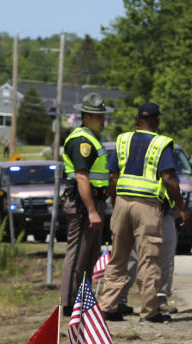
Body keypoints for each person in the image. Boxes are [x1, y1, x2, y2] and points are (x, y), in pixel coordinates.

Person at [98, 102, 189, 323]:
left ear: (138, 119)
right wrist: (181, 207)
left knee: (118, 256)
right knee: (149, 259)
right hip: (147, 207)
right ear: (157, 119)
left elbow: (112, 177)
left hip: (122, 203)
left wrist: (114, 201)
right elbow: (168, 178)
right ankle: (149, 312)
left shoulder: (123, 140)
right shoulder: (161, 143)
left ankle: (108, 307)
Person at [60, 93, 114, 316]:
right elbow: (82, 178)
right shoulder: (82, 141)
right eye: (98, 116)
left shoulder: (91, 138)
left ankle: (83, 300)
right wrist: (92, 211)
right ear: (86, 116)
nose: (103, 120)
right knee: (78, 256)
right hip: (84, 205)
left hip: (94, 202)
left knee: (90, 256)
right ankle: (70, 303)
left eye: (103, 116)